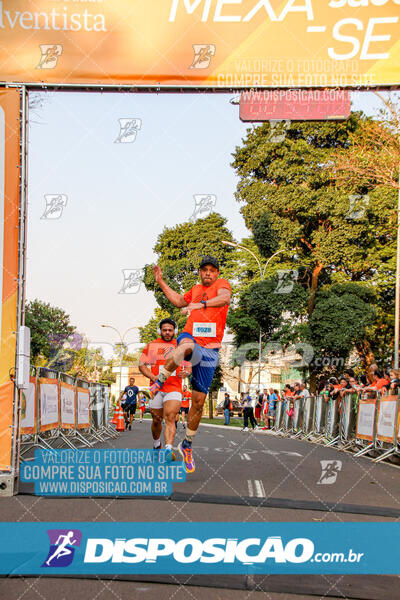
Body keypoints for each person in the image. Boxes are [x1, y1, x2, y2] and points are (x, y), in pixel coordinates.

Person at [144, 257, 231, 473]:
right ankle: (160, 381)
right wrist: (161, 282)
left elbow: (224, 299)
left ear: (217, 273)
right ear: (200, 272)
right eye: (204, 270)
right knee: (184, 347)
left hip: (210, 347)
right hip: (191, 336)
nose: (208, 273)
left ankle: (188, 445)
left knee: (199, 402)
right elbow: (178, 301)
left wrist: (200, 304)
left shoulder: (222, 285)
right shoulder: (195, 288)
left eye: (212, 270)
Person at [139, 318, 191, 459]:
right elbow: (142, 365)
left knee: (171, 417)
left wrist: (185, 372)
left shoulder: (181, 346)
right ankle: (157, 444)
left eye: (170, 330)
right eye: (164, 330)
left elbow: (189, 366)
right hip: (156, 389)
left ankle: (168, 449)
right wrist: (154, 377)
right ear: (159, 331)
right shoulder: (152, 345)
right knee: (156, 420)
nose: (167, 332)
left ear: (175, 331)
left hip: (174, 387)